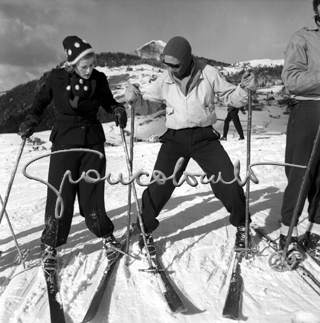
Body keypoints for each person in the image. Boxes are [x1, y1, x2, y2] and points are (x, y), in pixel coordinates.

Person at [124, 36, 257, 255]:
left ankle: (242, 225)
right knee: (160, 184)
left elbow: (230, 96)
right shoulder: (164, 79)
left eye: (175, 65)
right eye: (166, 64)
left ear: (186, 61)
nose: (171, 69)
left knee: (227, 180)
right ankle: (143, 227)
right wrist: (135, 99)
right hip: (174, 138)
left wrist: (245, 90)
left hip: (204, 138)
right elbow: (148, 105)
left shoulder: (208, 73)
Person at [18, 36, 127, 271]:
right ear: (72, 64)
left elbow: (108, 102)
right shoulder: (56, 78)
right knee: (60, 195)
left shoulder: (99, 79)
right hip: (64, 143)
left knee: (93, 194)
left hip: (92, 144)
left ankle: (107, 237)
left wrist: (117, 109)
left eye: (92, 65)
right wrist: (31, 118)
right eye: (84, 66)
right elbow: (40, 101)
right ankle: (50, 245)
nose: (89, 71)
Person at [280, 0, 320, 260]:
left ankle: (315, 231)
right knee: (301, 174)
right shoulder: (302, 38)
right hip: (308, 111)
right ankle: (288, 233)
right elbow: (291, 80)